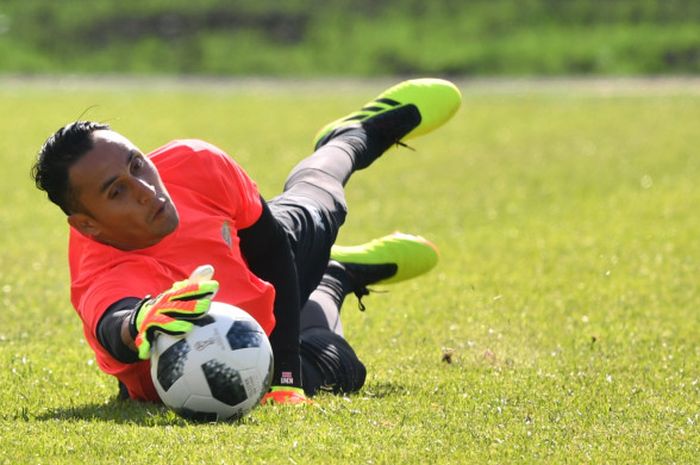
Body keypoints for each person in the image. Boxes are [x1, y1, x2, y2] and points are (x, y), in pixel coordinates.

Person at [31, 78, 462, 406]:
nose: (147, 190)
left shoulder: (193, 163)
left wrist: (286, 378)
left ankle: (351, 136)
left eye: (138, 164)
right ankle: (335, 278)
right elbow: (113, 322)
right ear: (89, 226)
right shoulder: (101, 271)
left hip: (258, 258)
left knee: (320, 201)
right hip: (251, 347)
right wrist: (141, 319)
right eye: (116, 192)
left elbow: (273, 249)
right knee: (345, 369)